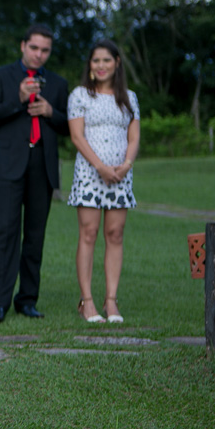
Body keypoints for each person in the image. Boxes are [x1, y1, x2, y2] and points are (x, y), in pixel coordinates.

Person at [0, 24, 69, 323]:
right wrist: (18, 99)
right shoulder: (2, 76)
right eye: (34, 48)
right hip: (8, 167)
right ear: (23, 46)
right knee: (5, 234)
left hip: (41, 167)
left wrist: (50, 112)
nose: (39, 55)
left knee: (35, 236)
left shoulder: (57, 83)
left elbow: (69, 126)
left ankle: (27, 299)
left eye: (45, 50)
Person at [67, 39, 140, 324]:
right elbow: (77, 136)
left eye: (106, 60)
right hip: (89, 174)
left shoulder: (129, 97)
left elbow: (133, 138)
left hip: (121, 175)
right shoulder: (80, 95)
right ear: (90, 65)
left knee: (115, 234)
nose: (100, 66)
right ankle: (87, 301)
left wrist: (125, 165)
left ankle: (111, 301)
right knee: (89, 233)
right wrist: (99, 167)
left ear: (117, 63)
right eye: (95, 61)